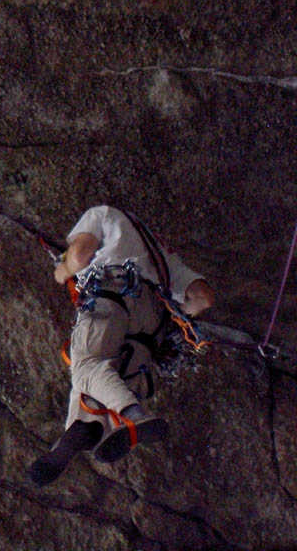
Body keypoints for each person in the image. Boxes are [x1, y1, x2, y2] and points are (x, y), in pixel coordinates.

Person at [27, 205, 215, 488]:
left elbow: (78, 255)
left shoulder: (103, 215)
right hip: (149, 326)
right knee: (95, 381)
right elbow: (202, 299)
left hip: (115, 295)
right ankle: (87, 433)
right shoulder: (164, 255)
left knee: (89, 366)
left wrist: (63, 269)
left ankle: (133, 416)